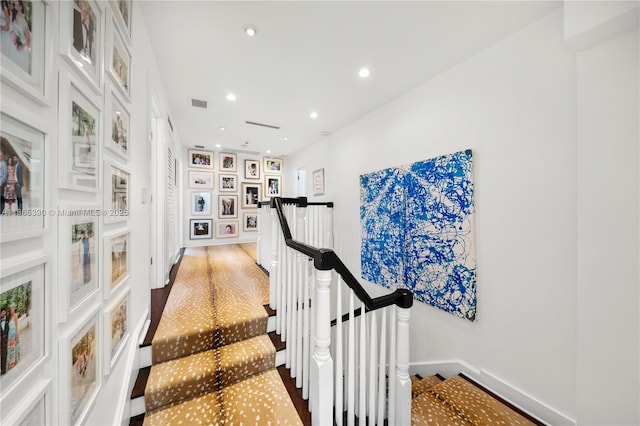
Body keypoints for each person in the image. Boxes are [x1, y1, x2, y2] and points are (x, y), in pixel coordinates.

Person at [9, 0, 30, 73]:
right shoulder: (14, 16)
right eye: (15, 5)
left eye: (18, 5)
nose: (17, 7)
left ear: (21, 7)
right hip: (14, 46)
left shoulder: (24, 22)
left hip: (21, 50)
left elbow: (28, 44)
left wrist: (21, 47)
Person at [6, 305, 19, 370]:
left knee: (14, 347)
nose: (12, 311)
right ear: (10, 310)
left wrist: (17, 333)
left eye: (13, 310)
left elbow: (16, 325)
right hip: (9, 334)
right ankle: (10, 363)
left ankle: (14, 362)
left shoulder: (15, 316)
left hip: (13, 333)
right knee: (10, 348)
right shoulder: (9, 317)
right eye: (11, 310)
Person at [0, 305, 9, 375]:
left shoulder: (7, 319)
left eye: (4, 312)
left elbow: (8, 329)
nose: (3, 313)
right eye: (2, 312)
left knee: (4, 355)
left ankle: (3, 370)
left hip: (5, 339)